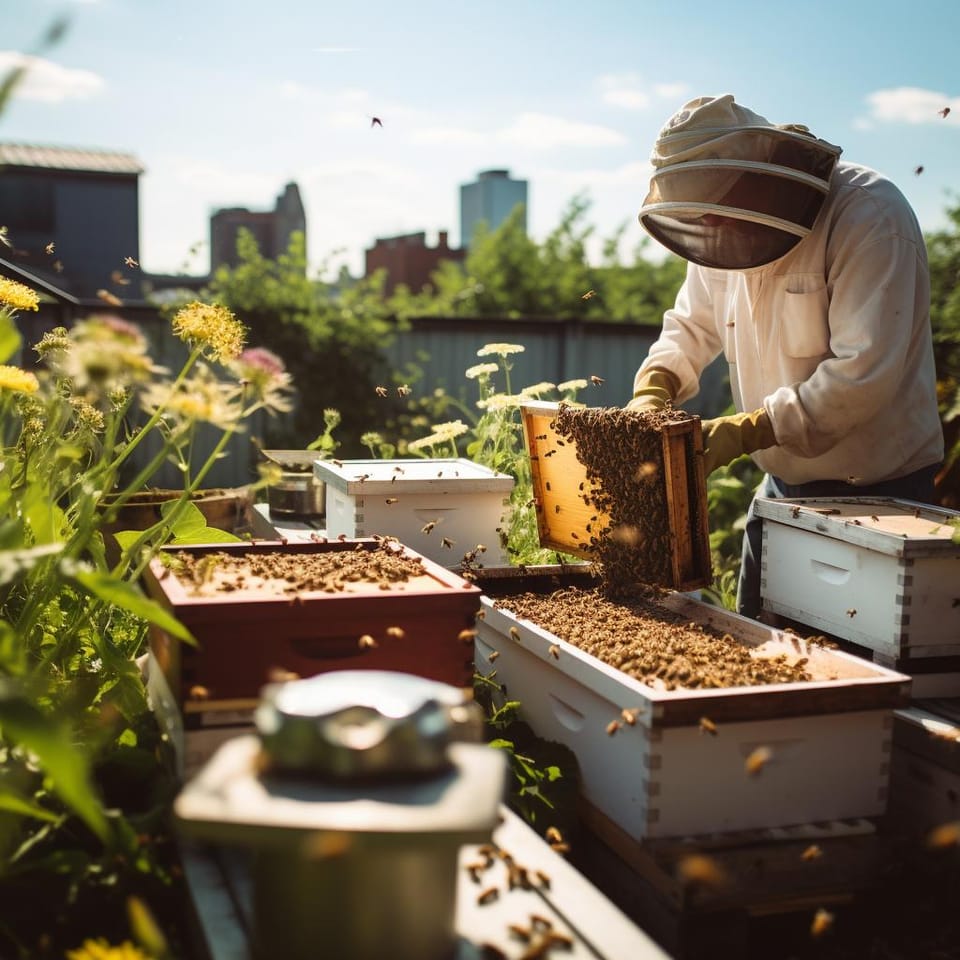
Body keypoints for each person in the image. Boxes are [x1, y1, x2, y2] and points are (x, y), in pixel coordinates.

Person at [628, 94, 944, 620]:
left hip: (884, 489)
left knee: (859, 668)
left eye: (715, 206)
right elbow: (691, 323)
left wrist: (744, 430)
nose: (710, 222)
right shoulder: (722, 225)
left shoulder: (869, 215)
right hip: (779, 486)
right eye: (700, 212)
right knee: (764, 659)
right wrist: (654, 386)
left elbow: (862, 374)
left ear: (754, 175)